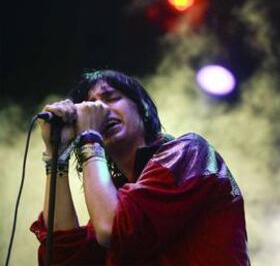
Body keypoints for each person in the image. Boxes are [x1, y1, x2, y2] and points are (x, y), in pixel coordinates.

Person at [30, 70, 250, 265]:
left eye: (110, 98)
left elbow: (113, 228)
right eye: (91, 104)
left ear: (143, 107)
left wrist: (90, 137)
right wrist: (56, 154)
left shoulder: (189, 153)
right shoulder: (113, 197)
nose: (99, 109)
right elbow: (61, 257)